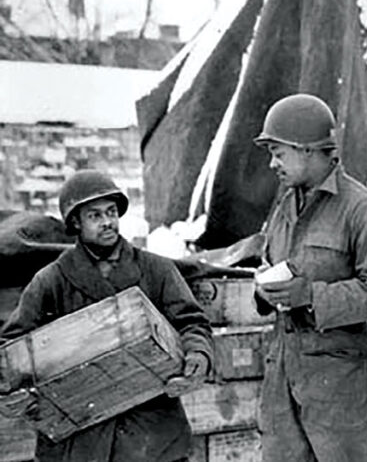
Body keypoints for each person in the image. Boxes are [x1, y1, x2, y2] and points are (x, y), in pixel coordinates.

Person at [0, 169, 213, 462]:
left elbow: (192, 323)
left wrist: (197, 357)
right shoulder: (50, 281)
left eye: (111, 212)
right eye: (95, 216)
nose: (108, 223)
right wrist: (12, 391)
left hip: (150, 435)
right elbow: (12, 346)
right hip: (79, 438)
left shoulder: (157, 270)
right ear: (75, 222)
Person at [251, 93, 367, 462]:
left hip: (341, 388)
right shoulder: (285, 206)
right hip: (283, 380)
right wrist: (265, 291)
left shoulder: (365, 211)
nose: (272, 164)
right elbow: (271, 264)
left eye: (278, 153)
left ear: (307, 150)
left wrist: (310, 296)